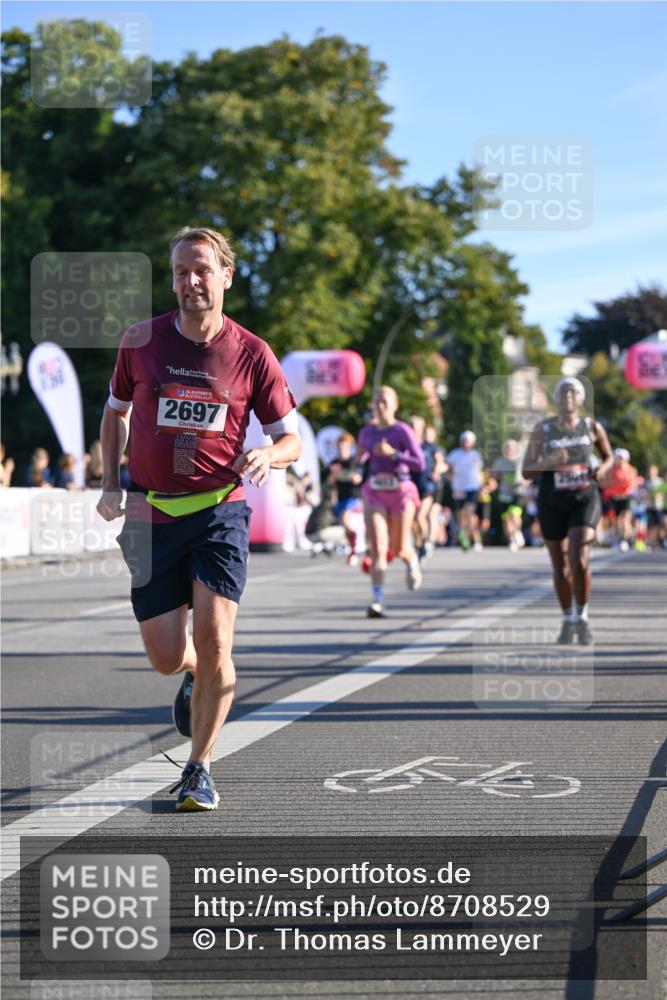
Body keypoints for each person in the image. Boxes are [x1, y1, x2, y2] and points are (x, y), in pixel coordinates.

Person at [96, 226, 301, 812]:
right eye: (181, 271)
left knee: (215, 641)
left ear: (226, 276)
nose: (191, 281)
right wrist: (112, 482)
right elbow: (116, 414)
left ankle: (199, 767)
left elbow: (292, 440)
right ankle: (190, 674)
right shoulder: (141, 340)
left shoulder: (252, 353)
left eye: (202, 270)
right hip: (153, 513)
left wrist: (267, 452)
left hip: (219, 512)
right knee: (167, 655)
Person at [523, 377, 613, 645]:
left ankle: (582, 617)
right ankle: (567, 619)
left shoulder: (592, 427)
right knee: (560, 567)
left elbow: (608, 457)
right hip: (551, 499)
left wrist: (603, 469)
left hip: (584, 497)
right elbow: (526, 470)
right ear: (556, 399)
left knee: (579, 557)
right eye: (563, 393)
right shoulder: (544, 429)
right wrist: (548, 461)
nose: (568, 398)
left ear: (581, 398)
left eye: (573, 393)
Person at [357, 386, 425, 618]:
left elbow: (420, 463)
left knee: (398, 549)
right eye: (377, 401)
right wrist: (360, 461)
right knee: (378, 547)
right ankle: (378, 601)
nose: (381, 406)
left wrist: (393, 454)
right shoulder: (366, 432)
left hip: (400, 490)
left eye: (385, 401)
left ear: (395, 405)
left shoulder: (402, 431)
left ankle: (412, 558)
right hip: (375, 490)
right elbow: (361, 456)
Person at [326, 431, 363, 562]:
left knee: (345, 518)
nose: (342, 445)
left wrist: (340, 474)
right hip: (339, 498)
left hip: (353, 498)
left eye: (345, 443)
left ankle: (355, 542)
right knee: (342, 524)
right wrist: (333, 475)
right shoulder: (333, 462)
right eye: (340, 443)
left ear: (350, 445)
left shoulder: (353, 462)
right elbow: (329, 482)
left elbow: (357, 479)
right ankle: (352, 550)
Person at [446, 431, 484, 551]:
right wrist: (449, 477)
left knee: (469, 512)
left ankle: (466, 537)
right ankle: (463, 535)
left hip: (472, 488)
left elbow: (479, 472)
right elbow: (447, 468)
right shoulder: (454, 454)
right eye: (464, 440)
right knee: (460, 515)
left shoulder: (475, 455)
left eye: (468, 440)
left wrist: (481, 485)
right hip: (458, 488)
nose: (465, 442)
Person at [600, 449, 638, 551]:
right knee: (615, 521)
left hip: (626, 498)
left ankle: (625, 540)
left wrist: (615, 483)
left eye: (621, 458)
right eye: (617, 458)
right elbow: (603, 483)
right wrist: (616, 484)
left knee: (625, 519)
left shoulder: (631, 470)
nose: (619, 460)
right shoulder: (611, 470)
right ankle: (618, 538)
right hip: (614, 498)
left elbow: (631, 484)